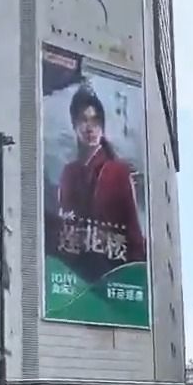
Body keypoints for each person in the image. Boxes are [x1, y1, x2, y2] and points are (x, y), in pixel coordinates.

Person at [54, 83, 148, 283]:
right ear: (74, 125)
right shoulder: (69, 173)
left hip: (114, 273)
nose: (90, 128)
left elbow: (133, 230)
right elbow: (63, 229)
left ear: (103, 127)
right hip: (78, 277)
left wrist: (138, 275)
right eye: (83, 120)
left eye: (96, 121)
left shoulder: (119, 171)